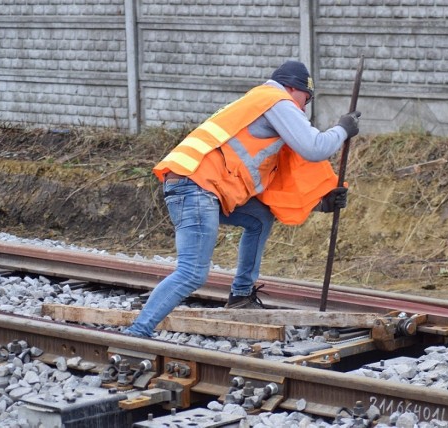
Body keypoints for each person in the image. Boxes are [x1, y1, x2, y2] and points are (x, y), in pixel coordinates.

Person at [124, 60, 360, 338]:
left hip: (195, 186)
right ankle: (137, 333)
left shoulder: (256, 106)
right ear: (293, 88)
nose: (304, 109)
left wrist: (320, 202)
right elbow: (314, 147)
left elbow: (268, 186)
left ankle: (241, 295)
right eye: (305, 99)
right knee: (192, 273)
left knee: (259, 218)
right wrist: (343, 128)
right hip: (196, 188)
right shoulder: (276, 100)